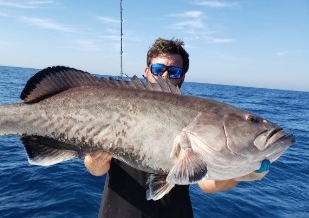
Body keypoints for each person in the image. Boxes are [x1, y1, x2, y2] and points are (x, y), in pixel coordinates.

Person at [84, 38, 239, 218]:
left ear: (182, 77)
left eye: (173, 71)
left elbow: (207, 184)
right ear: (147, 71)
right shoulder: (118, 109)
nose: (164, 76)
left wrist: (239, 171)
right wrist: (97, 160)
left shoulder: (197, 120)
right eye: (158, 69)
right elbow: (95, 170)